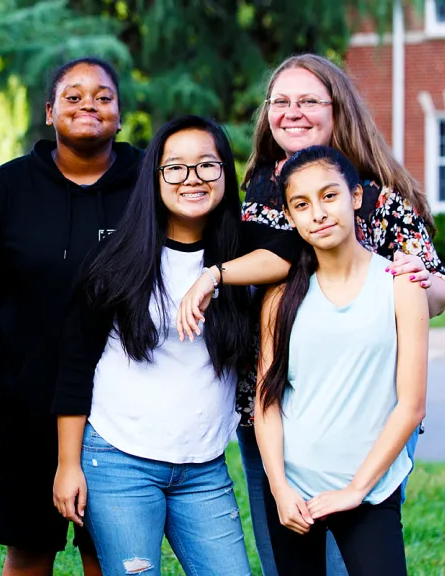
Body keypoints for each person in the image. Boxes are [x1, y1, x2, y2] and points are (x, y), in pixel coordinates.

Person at [176, 53, 444, 576]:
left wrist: (418, 283)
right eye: (281, 102)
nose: (292, 112)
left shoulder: (375, 194)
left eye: (308, 101)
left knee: (354, 548)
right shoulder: (252, 193)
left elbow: (431, 287)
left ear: (337, 109)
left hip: (364, 410)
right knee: (288, 545)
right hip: (271, 409)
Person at [51, 115, 307, 575]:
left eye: (208, 166)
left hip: (203, 469)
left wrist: (215, 275)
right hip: (118, 461)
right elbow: (74, 367)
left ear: (226, 176)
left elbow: (296, 252)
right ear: (155, 178)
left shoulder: (241, 249)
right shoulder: (118, 258)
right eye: (176, 168)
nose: (193, 179)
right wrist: (68, 465)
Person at [0, 57, 142, 576]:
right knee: (28, 552)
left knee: (111, 554)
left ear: (119, 114)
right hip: (27, 401)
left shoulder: (151, 186)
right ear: (49, 113)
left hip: (125, 408)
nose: (88, 104)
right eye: (72, 96)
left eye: (103, 96)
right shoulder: (4, 190)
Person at [255, 145, 427, 575]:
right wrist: (279, 488)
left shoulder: (401, 286)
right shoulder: (280, 299)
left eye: (329, 196)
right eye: (302, 204)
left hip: (369, 490)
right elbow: (267, 402)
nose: (318, 212)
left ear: (354, 197)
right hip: (293, 492)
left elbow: (411, 406)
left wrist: (356, 490)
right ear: (291, 218)